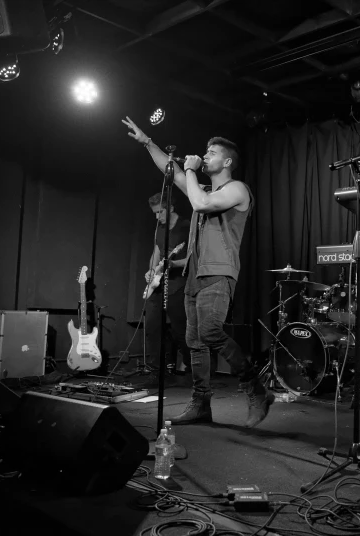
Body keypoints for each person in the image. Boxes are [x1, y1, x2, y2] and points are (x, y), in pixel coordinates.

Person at [122, 116, 273, 428]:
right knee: (194, 342)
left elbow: (201, 202)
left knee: (209, 332)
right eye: (206, 151)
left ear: (227, 161)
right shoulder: (200, 185)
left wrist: (190, 170)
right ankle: (200, 403)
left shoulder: (237, 190)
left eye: (213, 152)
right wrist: (148, 142)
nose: (206, 155)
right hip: (194, 274)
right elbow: (173, 172)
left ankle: (255, 388)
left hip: (219, 273)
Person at [143, 193, 189, 376]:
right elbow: (156, 252)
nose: (157, 217)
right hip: (159, 284)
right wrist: (151, 271)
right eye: (154, 213)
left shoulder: (185, 227)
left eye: (160, 212)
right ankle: (156, 371)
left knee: (180, 330)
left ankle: (192, 371)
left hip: (178, 284)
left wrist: (174, 264)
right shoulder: (159, 229)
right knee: (152, 327)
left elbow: (194, 258)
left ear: (170, 207)